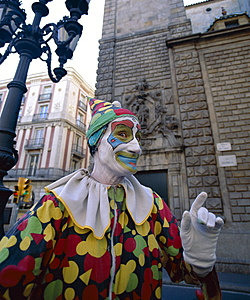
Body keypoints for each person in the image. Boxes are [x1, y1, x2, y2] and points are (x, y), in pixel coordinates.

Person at [0, 98, 223, 300]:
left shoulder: (152, 205)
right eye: (123, 134)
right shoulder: (57, 205)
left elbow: (183, 271)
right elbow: (9, 279)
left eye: (137, 137)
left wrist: (200, 258)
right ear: (96, 143)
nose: (136, 147)